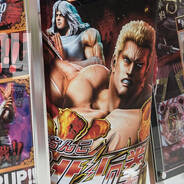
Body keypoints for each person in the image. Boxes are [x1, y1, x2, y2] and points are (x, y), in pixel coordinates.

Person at [47, 20, 155, 151]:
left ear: (146, 70)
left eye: (139, 65)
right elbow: (68, 124)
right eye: (126, 60)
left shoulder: (145, 104)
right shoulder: (92, 79)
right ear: (114, 61)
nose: (130, 71)